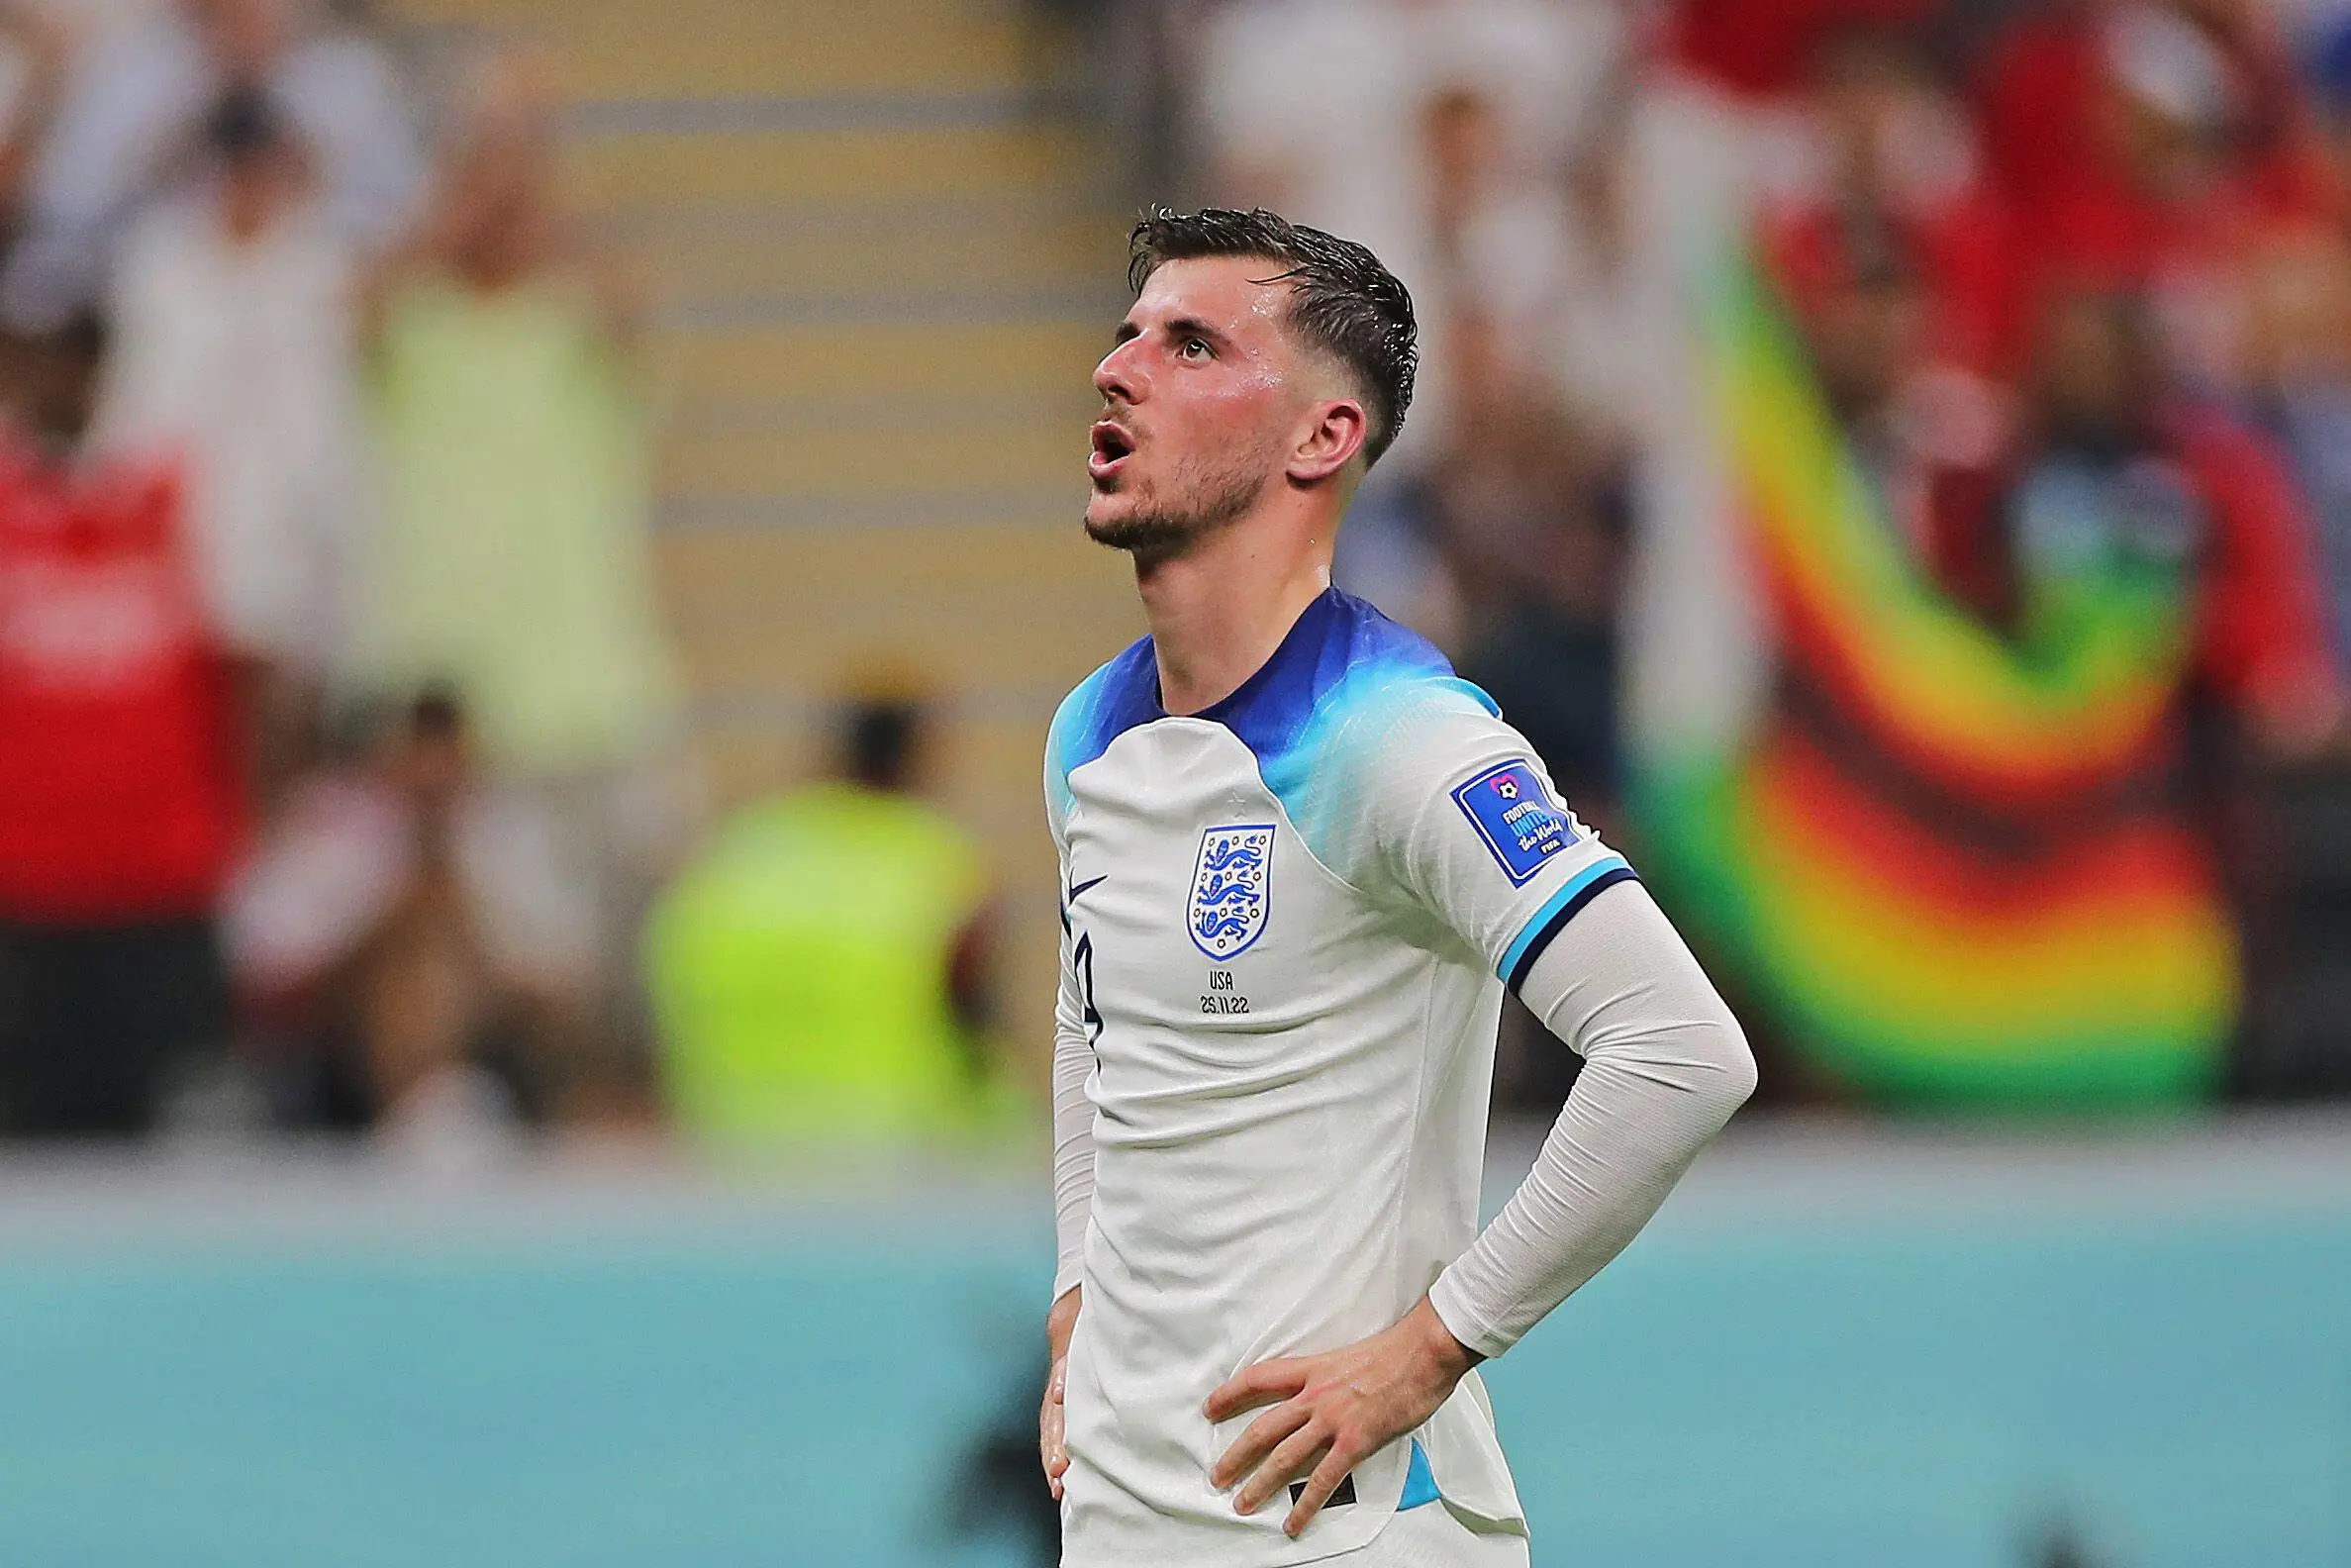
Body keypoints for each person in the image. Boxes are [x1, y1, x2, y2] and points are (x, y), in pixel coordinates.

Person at [1039, 209, 1756, 1564]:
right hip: (1126, 1520)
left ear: (1322, 438)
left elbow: (1676, 1051)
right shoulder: (1089, 735)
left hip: (1348, 1532)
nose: (1117, 368)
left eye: (1190, 345)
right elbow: (1093, 1021)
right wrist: (1080, 1278)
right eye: (1129, 333)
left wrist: (1430, 1349)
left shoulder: (1396, 738)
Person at [644, 695, 1002, 1149]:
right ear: (917, 757)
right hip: (898, 1168)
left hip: (730, 1161)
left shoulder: (732, 859)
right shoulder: (939, 866)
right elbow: (976, 1028)